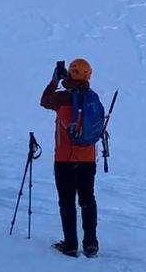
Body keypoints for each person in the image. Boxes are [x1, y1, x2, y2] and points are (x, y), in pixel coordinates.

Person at [40, 59, 103, 256]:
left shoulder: (62, 98)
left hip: (64, 159)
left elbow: (44, 100)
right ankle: (91, 243)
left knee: (67, 201)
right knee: (87, 199)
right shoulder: (93, 98)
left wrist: (54, 81)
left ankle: (70, 244)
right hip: (88, 158)